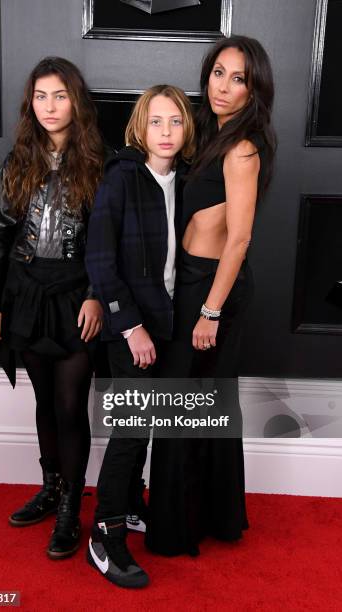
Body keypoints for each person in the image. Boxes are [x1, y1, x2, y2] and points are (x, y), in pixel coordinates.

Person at [146, 35, 277, 557]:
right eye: (218, 72)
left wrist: (210, 311)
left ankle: (181, 527)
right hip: (195, 281)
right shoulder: (209, 132)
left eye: (238, 78)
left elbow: (240, 238)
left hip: (212, 290)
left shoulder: (242, 147)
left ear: (253, 89)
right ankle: (206, 517)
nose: (223, 86)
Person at [0, 57, 105, 559]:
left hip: (77, 295)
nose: (50, 106)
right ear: (29, 103)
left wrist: (98, 293)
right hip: (26, 293)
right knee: (44, 401)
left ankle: (72, 507)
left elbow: (107, 242)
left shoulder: (101, 163)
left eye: (59, 95)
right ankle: (51, 488)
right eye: (40, 96)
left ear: (76, 101)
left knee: (71, 403)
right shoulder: (17, 161)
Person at [85, 85, 195, 587]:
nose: (166, 132)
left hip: (171, 322)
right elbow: (101, 260)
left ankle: (131, 504)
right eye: (156, 122)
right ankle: (104, 536)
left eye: (175, 121)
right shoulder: (123, 177)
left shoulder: (189, 179)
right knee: (129, 432)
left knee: (147, 427)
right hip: (132, 328)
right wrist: (130, 327)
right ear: (139, 127)